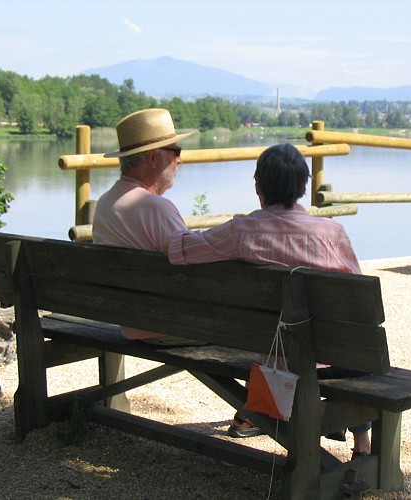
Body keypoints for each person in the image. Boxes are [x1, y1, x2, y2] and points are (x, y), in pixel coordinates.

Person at [166, 143, 371, 458]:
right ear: (303, 186)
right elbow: (359, 305)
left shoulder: (241, 232)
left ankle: (256, 414)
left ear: (258, 186)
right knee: (361, 355)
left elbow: (180, 251)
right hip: (329, 359)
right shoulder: (332, 233)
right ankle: (363, 444)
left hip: (270, 357)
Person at [92, 107, 202, 346]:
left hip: (128, 323)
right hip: (170, 326)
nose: (180, 159)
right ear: (152, 158)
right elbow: (196, 270)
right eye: (175, 152)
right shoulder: (156, 208)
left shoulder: (104, 204)